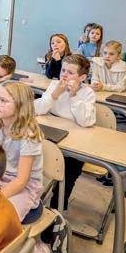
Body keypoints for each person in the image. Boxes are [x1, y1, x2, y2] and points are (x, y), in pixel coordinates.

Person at [0, 82, 55, 253]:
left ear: (20, 105)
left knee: (1, 225)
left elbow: (21, 181)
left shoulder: (29, 134)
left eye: (3, 100)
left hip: (24, 188)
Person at [35, 54, 96, 210]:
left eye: (70, 72)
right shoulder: (54, 85)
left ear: (82, 77)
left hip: (74, 140)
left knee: (70, 171)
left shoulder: (88, 93)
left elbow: (86, 121)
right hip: (49, 133)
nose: (64, 75)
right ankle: (31, 201)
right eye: (63, 70)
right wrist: (54, 95)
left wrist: (73, 96)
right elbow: (37, 110)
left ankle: (57, 208)